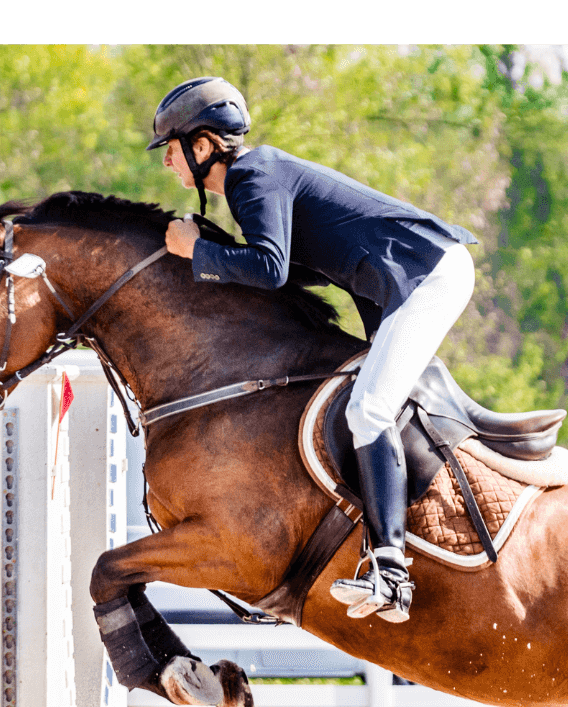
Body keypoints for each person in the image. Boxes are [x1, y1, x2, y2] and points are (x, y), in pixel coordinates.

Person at [150, 76, 477, 623]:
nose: (167, 164)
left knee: (368, 410)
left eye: (171, 149)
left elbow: (272, 270)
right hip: (412, 278)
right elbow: (285, 269)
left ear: (203, 145)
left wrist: (197, 250)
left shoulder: (253, 175)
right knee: (370, 401)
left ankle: (392, 573)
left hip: (428, 274)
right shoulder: (256, 179)